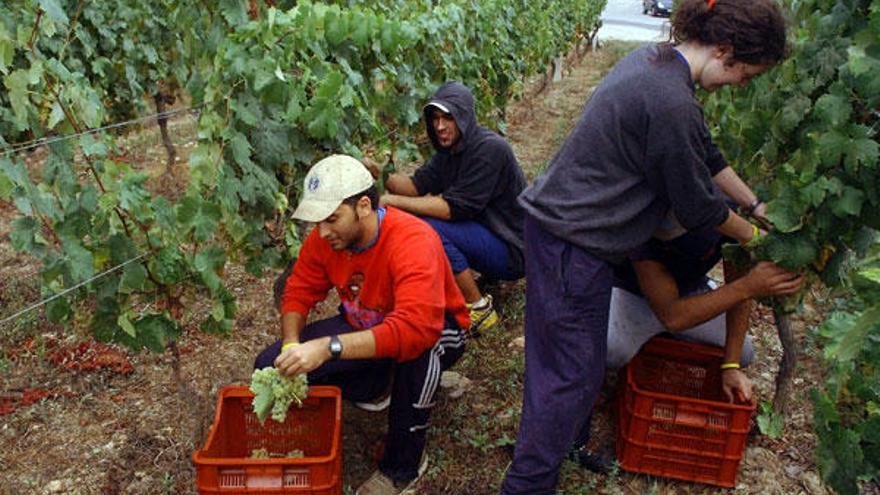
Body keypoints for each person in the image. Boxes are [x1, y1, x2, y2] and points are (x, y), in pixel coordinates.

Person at [501, 1, 796, 493]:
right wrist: (760, 241)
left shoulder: (658, 63)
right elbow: (700, 205)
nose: (741, 85)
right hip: (572, 243)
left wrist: (756, 204)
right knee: (566, 377)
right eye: (745, 74)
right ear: (725, 51)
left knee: (580, 363)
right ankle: (527, 485)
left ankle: (566, 442)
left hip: (577, 238)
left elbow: (706, 155)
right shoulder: (669, 101)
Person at [254, 155, 470, 495]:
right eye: (316, 222)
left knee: (418, 355)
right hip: (367, 324)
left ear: (364, 206)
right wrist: (292, 344)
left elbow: (415, 328)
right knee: (272, 364)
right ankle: (379, 384)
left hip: (437, 326)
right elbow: (298, 291)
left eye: (331, 219)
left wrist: (328, 348)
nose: (321, 232)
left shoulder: (413, 240)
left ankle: (402, 467)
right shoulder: (325, 239)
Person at [380, 81, 527, 336]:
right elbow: (415, 187)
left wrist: (391, 202)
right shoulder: (449, 152)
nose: (440, 126)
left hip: (514, 251)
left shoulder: (490, 149)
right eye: (435, 118)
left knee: (428, 228)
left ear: (465, 117)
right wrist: (380, 174)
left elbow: (451, 209)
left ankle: (479, 309)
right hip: (489, 238)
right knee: (422, 220)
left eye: (448, 118)